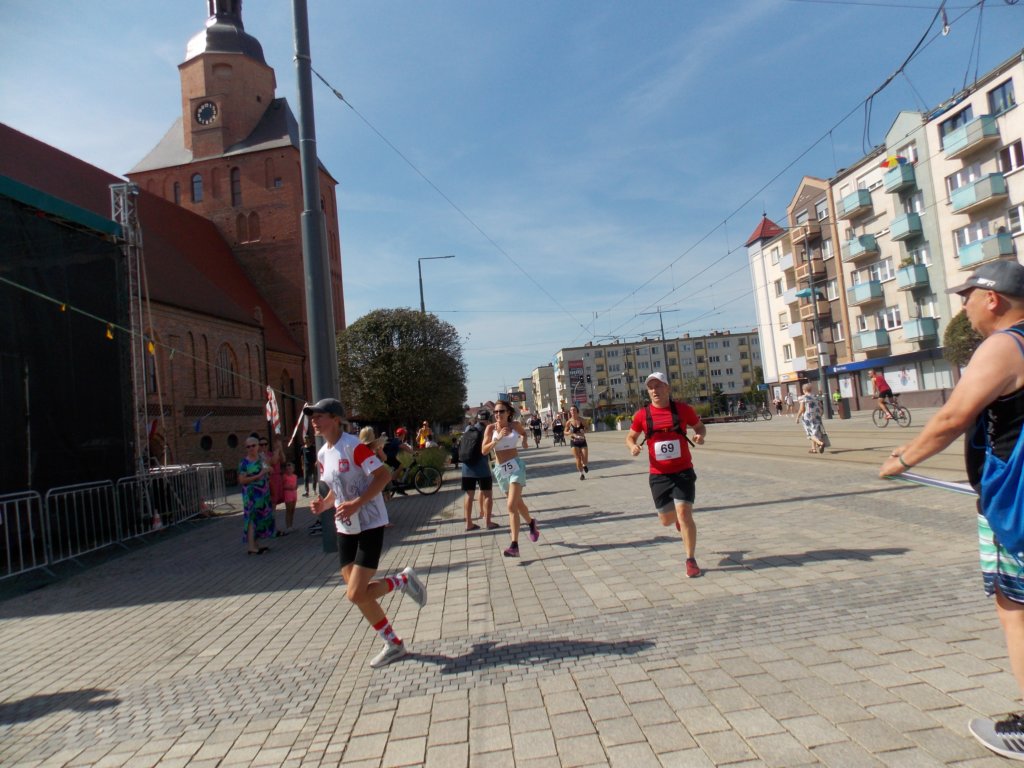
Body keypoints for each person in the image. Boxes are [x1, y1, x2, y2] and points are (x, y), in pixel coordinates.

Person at [878, 260, 1024, 760]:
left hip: (1014, 505)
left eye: (968, 297)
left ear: (993, 299)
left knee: (1015, 609)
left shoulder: (1004, 345)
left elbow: (952, 416)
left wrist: (903, 460)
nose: (963, 308)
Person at [305, 398, 426, 669]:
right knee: (358, 593)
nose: (314, 421)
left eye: (319, 416)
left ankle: (400, 586)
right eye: (312, 417)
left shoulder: (353, 446)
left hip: (370, 522)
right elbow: (335, 489)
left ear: (335, 419)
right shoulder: (323, 453)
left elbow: (383, 476)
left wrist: (358, 502)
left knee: (355, 593)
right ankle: (394, 638)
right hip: (345, 526)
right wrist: (324, 505)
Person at [626, 372, 707, 578]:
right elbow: (630, 436)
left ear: (667, 388)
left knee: (685, 514)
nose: (655, 390)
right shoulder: (642, 415)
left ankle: (690, 560)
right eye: (651, 387)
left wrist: (699, 435)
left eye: (659, 386)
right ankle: (677, 520)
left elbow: (699, 426)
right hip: (659, 475)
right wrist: (633, 446)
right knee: (666, 520)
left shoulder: (683, 410)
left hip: (683, 472)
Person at [482, 399, 538, 557]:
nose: (498, 414)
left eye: (501, 411)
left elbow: (524, 433)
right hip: (501, 470)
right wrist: (497, 438)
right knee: (518, 504)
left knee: (511, 505)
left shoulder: (515, 425)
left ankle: (514, 546)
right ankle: (531, 523)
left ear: (508, 413)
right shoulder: (490, 429)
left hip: (516, 467)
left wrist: (524, 441)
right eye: (495, 412)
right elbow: (484, 451)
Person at [461, 410, 498, 531]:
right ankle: (488, 522)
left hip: (467, 467)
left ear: (478, 419)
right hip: (482, 468)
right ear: (488, 419)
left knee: (469, 495)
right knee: (487, 494)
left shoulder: (468, 429)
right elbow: (488, 450)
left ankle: (468, 523)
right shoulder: (487, 431)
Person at [239, 434, 274, 554]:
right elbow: (242, 480)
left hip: (263, 493)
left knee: (260, 518)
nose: (251, 448)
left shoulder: (261, 459)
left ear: (258, 446)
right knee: (251, 518)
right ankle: (251, 547)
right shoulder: (244, 463)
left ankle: (255, 544)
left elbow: (268, 470)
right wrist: (258, 475)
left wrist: (269, 470)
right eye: (248, 447)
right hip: (251, 494)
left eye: (253, 445)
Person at [380, 429, 414, 496]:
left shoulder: (396, 440)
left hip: (390, 457)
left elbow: (404, 447)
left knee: (399, 469)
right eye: (404, 434)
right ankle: (393, 481)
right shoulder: (397, 440)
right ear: (403, 435)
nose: (404, 436)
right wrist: (413, 453)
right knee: (400, 466)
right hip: (389, 458)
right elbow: (404, 447)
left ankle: (399, 489)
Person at [795, 383, 826, 454]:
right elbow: (821, 407)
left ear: (804, 390)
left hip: (808, 417)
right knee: (814, 432)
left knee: (810, 433)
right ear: (811, 389)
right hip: (817, 416)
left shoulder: (803, 398)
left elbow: (802, 409)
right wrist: (820, 415)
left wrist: (797, 417)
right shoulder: (815, 396)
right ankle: (813, 449)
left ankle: (820, 443)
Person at [566, 405, 589, 480]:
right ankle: (581, 474)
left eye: (574, 410)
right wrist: (569, 432)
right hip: (574, 442)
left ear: (577, 411)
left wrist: (584, 430)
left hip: (582, 441)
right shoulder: (569, 422)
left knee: (585, 459)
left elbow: (588, 428)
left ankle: (584, 465)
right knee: (578, 458)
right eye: (571, 410)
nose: (572, 411)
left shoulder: (582, 420)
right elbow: (564, 432)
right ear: (570, 412)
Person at [281, 462, 298, 533]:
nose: (289, 470)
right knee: (289, 510)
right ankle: (288, 526)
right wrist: (287, 487)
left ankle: (291, 525)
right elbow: (281, 485)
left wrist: (295, 487)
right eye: (287, 469)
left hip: (294, 493)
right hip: (288, 494)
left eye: (290, 468)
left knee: (292, 510)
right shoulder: (284, 476)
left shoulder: (295, 476)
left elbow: (296, 485)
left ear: (293, 469)